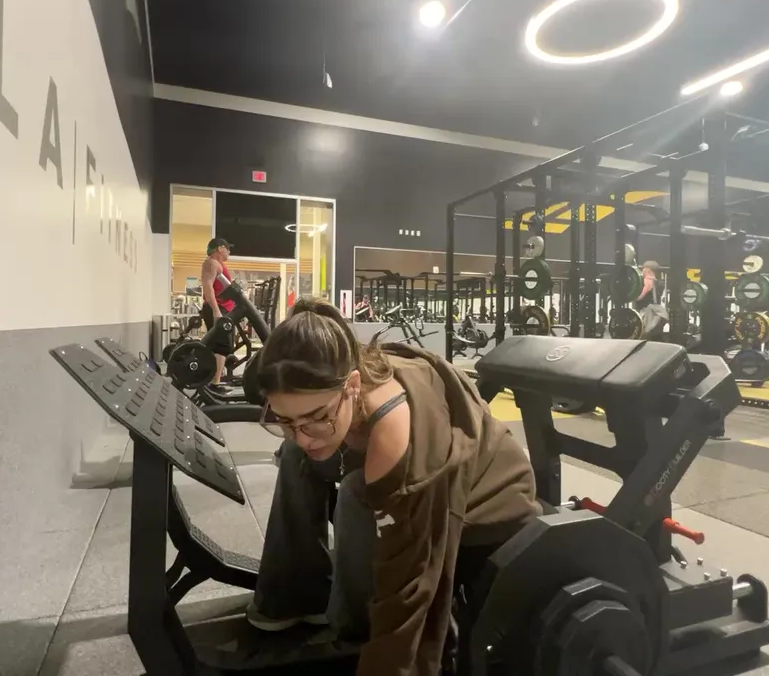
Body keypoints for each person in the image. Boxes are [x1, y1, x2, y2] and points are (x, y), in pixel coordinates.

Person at [247, 298, 542, 675]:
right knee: (295, 455)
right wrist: (308, 426)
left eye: (316, 418)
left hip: (488, 499)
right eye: (285, 421)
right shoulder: (342, 368)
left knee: (357, 495)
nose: (302, 435)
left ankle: (355, 630)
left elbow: (410, 592)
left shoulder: (400, 441)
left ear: (352, 386)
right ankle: (296, 595)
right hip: (411, 462)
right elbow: (306, 431)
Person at [199, 237, 236, 390]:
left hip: (222, 308)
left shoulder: (217, 264)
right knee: (221, 346)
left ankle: (213, 379)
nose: (229, 252)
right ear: (220, 248)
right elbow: (208, 287)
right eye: (228, 249)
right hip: (218, 308)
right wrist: (216, 311)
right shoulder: (211, 263)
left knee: (218, 346)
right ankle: (215, 383)